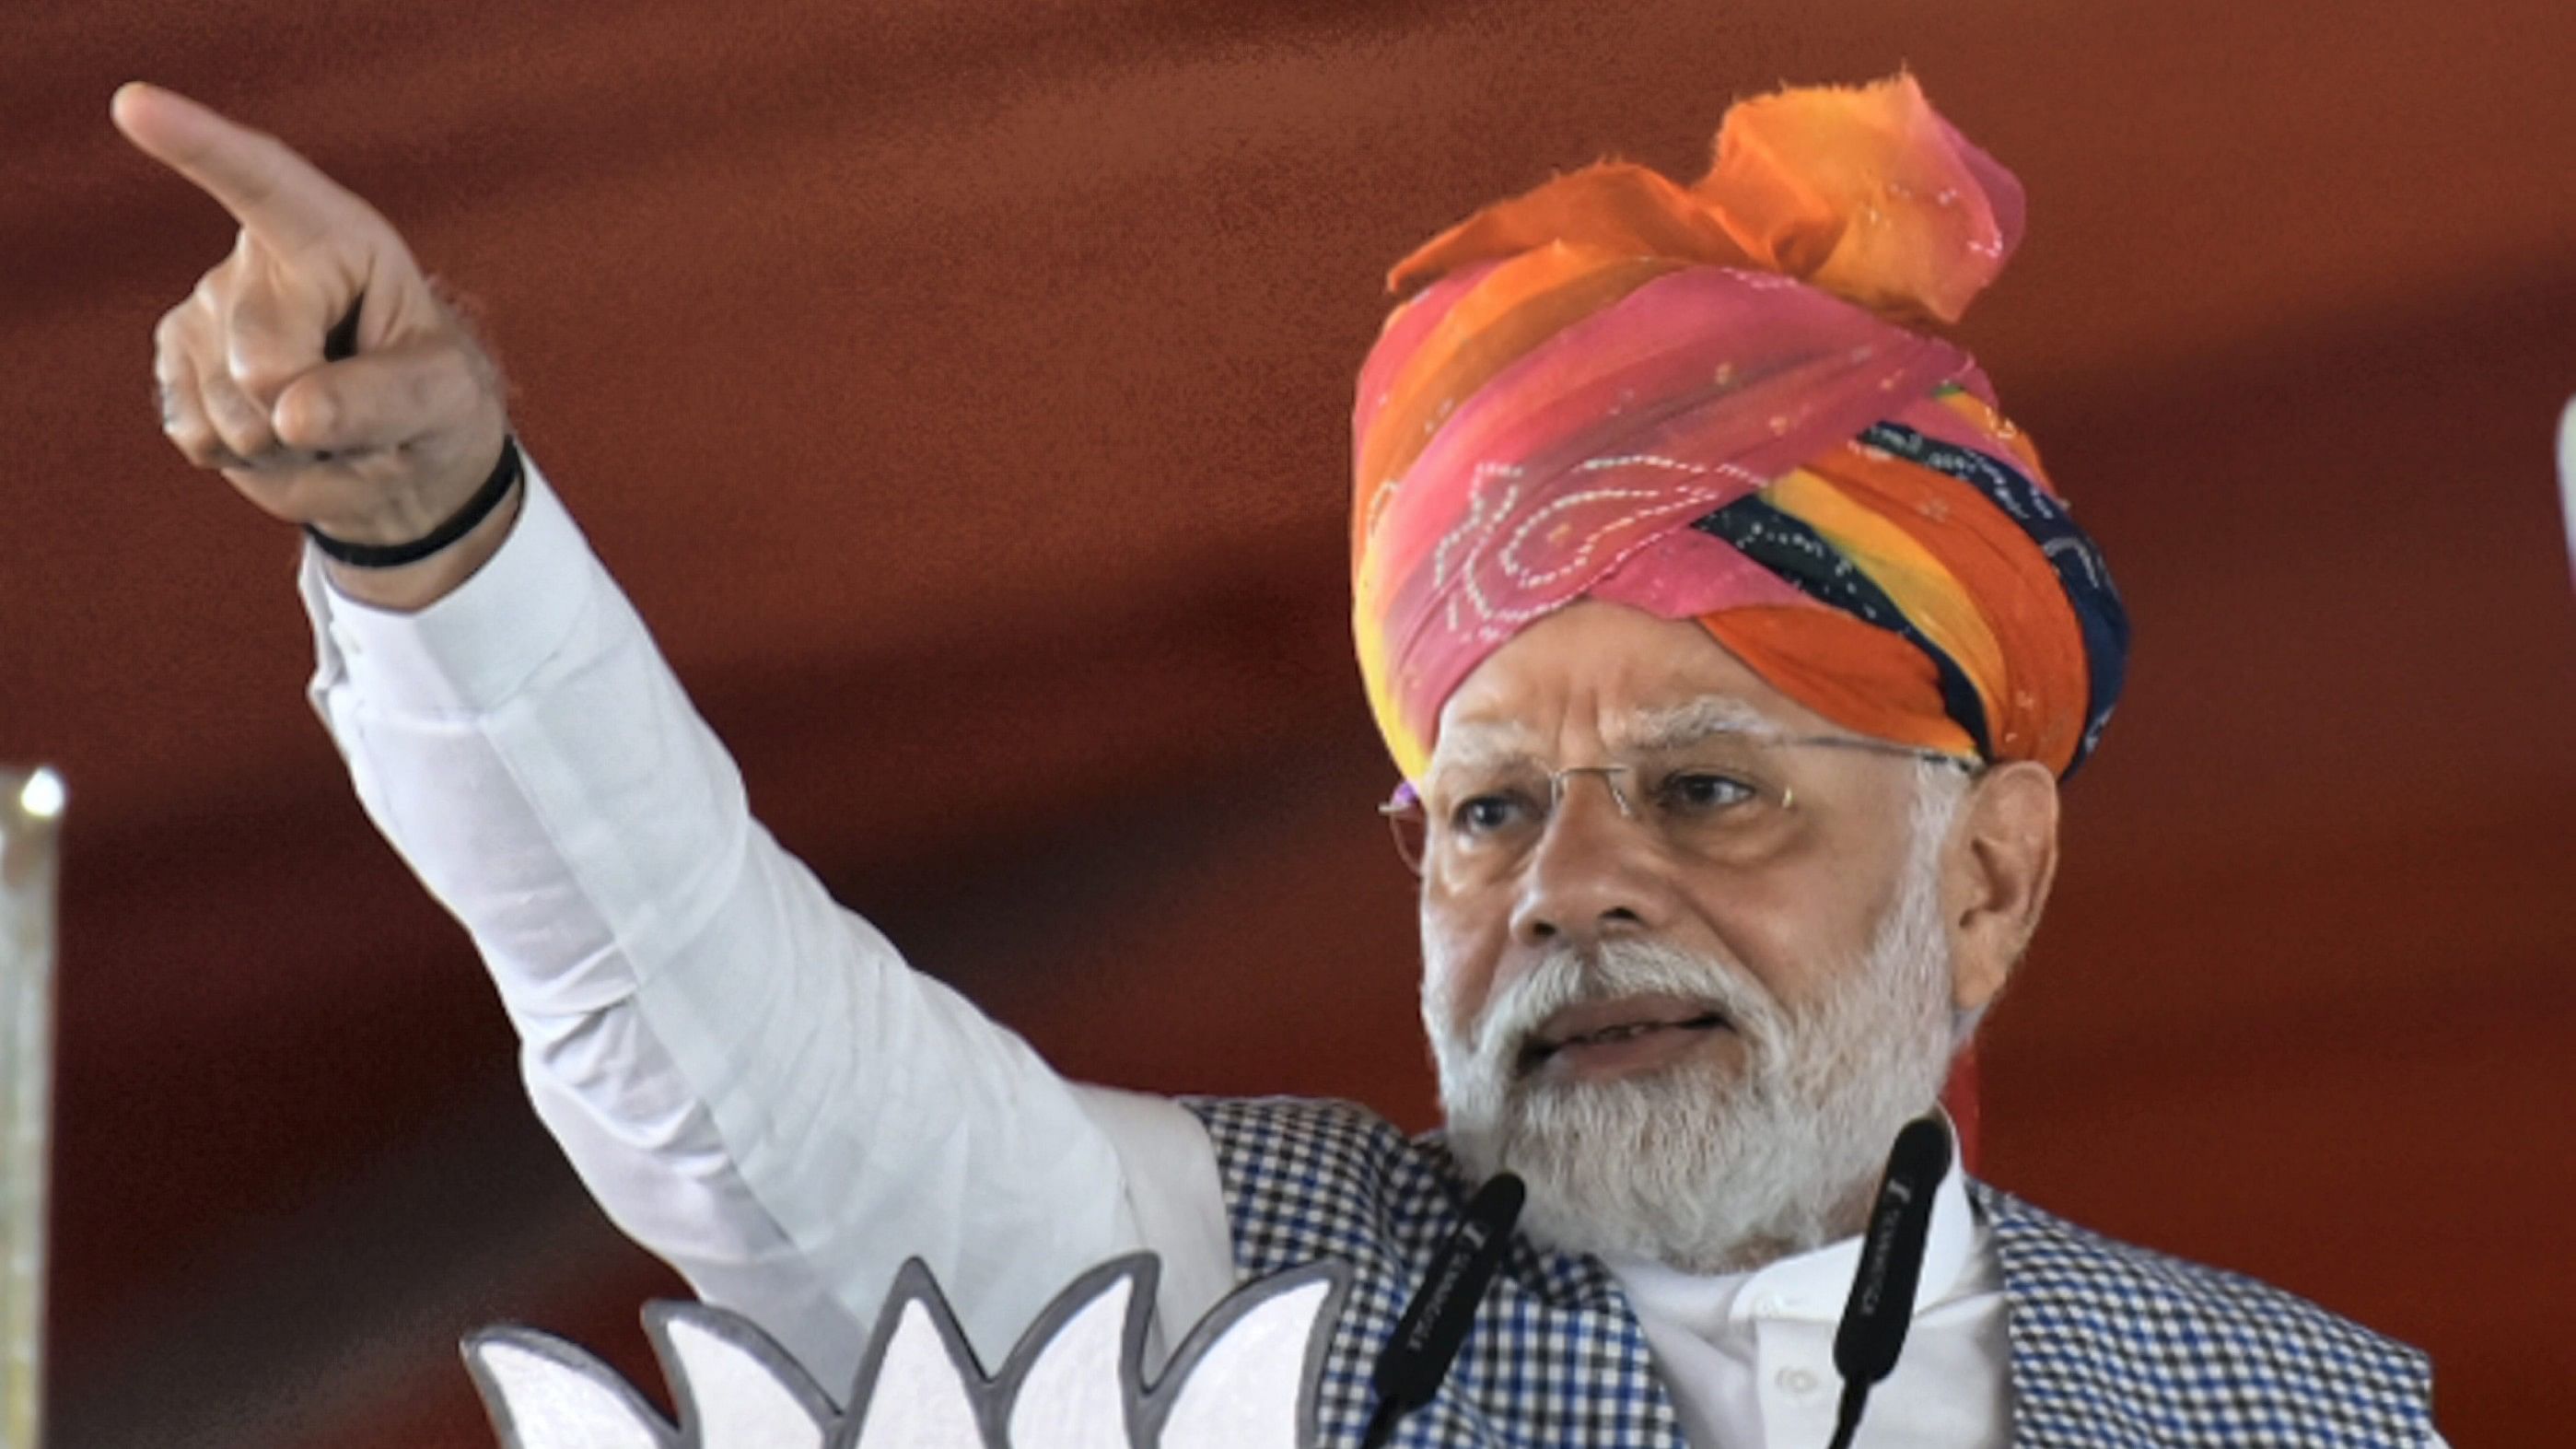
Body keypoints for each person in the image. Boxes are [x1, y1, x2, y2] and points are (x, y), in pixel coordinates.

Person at [116, 72, 2443, 1447]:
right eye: (1492, 809)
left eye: (1710, 791)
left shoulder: (2304, 1414)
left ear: (1989, 877)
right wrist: (440, 533)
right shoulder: (1208, 1287)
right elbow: (714, 1043)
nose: (1572, 892)